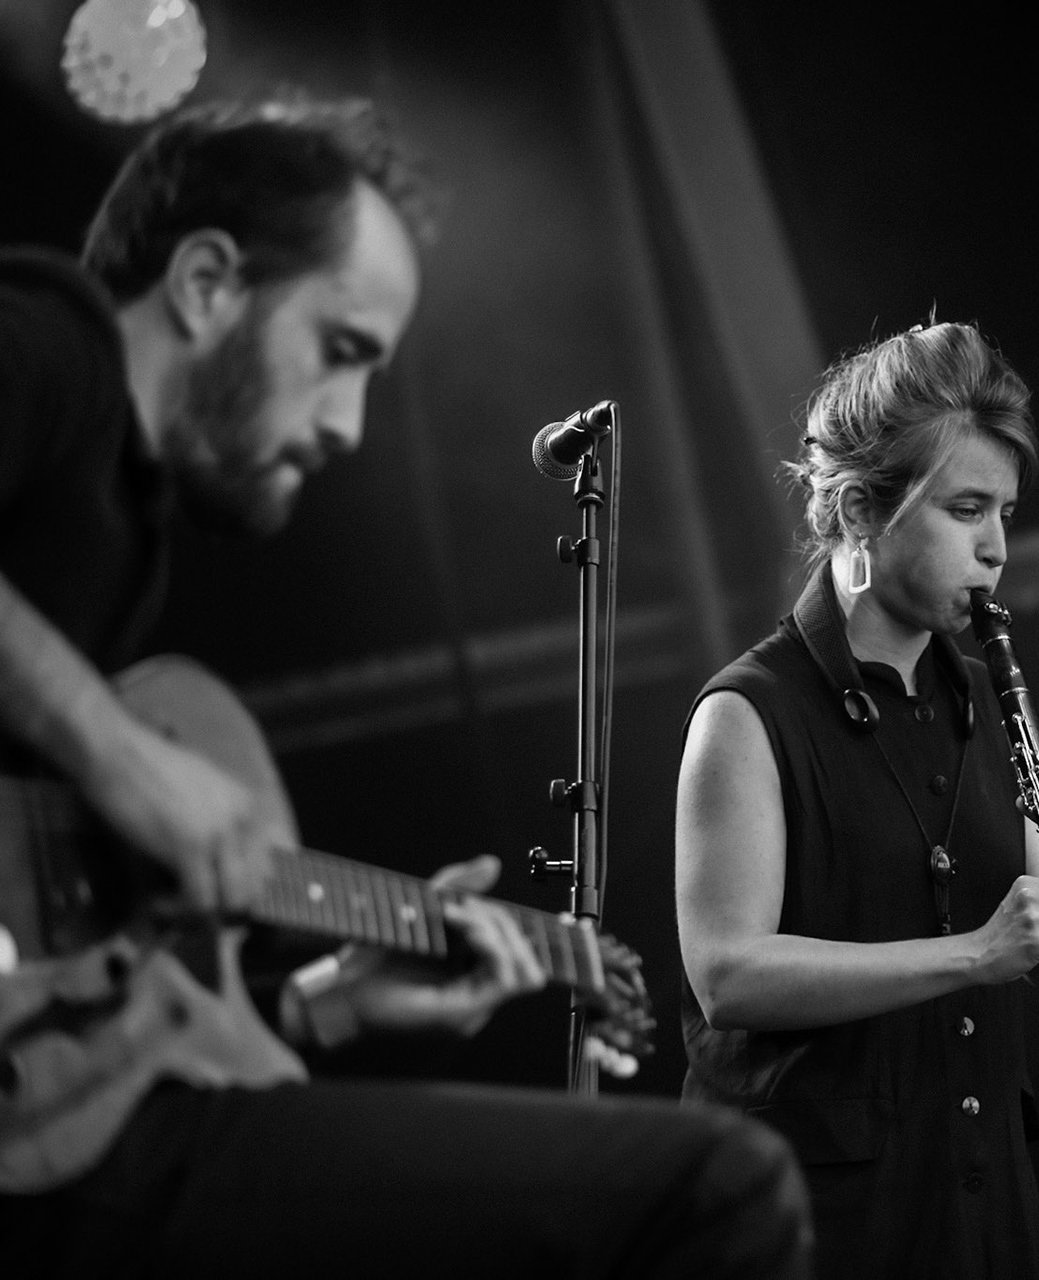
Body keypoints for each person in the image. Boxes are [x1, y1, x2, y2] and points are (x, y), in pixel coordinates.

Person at [0, 98, 809, 1277]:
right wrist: (125, 759)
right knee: (719, 1186)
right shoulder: (53, 342)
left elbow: (75, 984)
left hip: (58, 1127)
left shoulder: (124, 530)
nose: (348, 426)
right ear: (206, 283)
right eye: (341, 351)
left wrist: (321, 1006)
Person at [675, 320, 1039, 1278]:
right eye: (966, 509)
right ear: (856, 510)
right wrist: (977, 953)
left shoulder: (992, 702)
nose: (996, 548)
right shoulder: (748, 712)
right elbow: (728, 976)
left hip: (981, 1209)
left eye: (1005, 513)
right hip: (820, 1225)